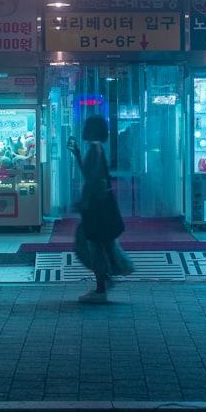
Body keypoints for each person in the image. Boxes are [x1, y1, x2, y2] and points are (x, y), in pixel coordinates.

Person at [66, 115, 133, 304]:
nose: (83, 129)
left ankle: (101, 287)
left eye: (86, 126)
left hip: (95, 207)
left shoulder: (95, 148)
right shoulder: (96, 148)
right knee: (101, 244)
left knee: (93, 245)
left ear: (93, 130)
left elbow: (92, 179)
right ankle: (105, 280)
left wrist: (83, 203)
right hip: (98, 205)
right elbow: (90, 175)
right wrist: (78, 154)